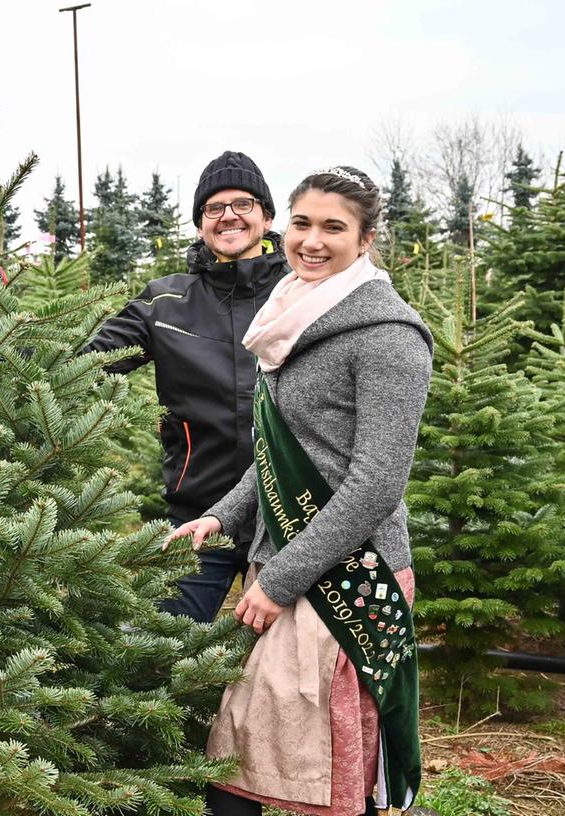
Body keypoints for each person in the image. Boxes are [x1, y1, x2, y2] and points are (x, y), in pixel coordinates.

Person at [174, 167, 433, 815]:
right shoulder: (288, 319)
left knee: (337, 765)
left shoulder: (386, 337)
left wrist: (278, 581)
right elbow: (277, 452)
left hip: (348, 574)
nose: (312, 240)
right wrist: (219, 517)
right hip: (283, 563)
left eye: (333, 228)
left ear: (365, 239)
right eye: (302, 222)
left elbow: (374, 485)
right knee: (243, 753)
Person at [84, 150, 289, 621]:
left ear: (267, 215)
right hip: (198, 514)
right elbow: (91, 357)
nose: (228, 216)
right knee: (168, 651)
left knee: (289, 672)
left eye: (243, 203)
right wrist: (5, 351)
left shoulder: (298, 291)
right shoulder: (166, 301)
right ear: (200, 224)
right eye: (213, 208)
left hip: (289, 515)